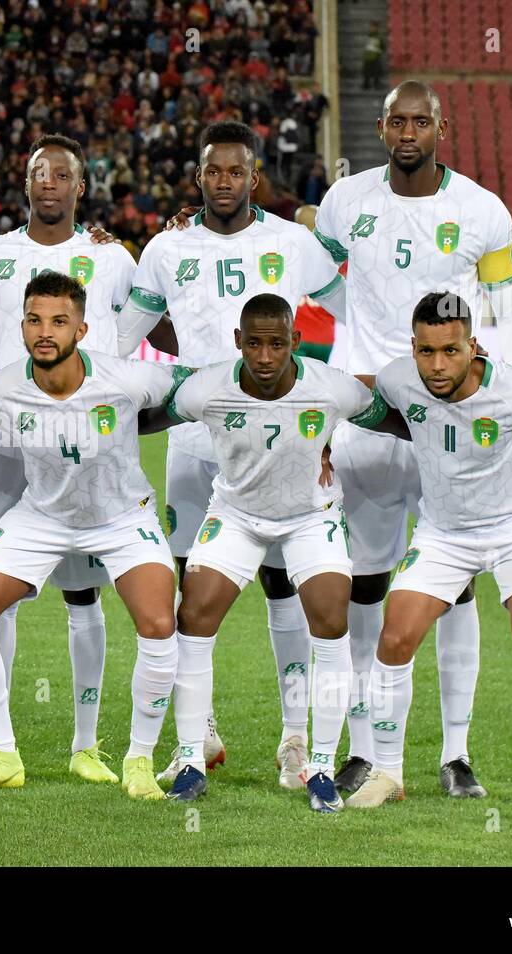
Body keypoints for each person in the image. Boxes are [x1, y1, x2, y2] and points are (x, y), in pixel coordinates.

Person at [313, 81, 512, 798]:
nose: (408, 131)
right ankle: (367, 750)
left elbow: (510, 314)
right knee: (366, 586)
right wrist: (328, 389)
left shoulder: (481, 210)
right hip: (372, 421)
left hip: (458, 429)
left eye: (421, 121)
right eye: (397, 121)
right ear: (381, 128)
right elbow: (313, 287)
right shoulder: (346, 202)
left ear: (442, 127)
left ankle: (456, 754)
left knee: (457, 586)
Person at [121, 121, 347, 789]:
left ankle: (297, 738)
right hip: (197, 442)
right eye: (213, 171)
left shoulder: (291, 242)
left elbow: (346, 320)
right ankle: (204, 735)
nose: (225, 181)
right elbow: (125, 327)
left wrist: (324, 411)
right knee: (194, 590)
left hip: (285, 449)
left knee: (287, 586)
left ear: (254, 178)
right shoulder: (166, 247)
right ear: (199, 178)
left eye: (236, 171)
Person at [0, 272, 185, 799]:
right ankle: (3, 752)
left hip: (123, 516)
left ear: (81, 328)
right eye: (34, 320)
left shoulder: (126, 379)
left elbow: (202, 391)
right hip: (42, 517)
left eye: (58, 321)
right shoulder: (2, 387)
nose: (44, 332)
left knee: (159, 623)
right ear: (22, 326)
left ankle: (139, 760)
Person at [345, 292, 512, 823]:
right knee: (395, 637)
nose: (437, 365)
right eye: (427, 351)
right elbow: (379, 407)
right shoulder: (398, 378)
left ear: (471, 345)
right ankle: (388, 772)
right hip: (443, 532)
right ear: (413, 347)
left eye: (450, 351)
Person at [143, 293, 391, 809]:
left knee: (329, 621)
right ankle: (191, 757)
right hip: (235, 516)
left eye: (276, 344)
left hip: (311, 517)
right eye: (253, 343)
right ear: (238, 341)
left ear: (295, 342)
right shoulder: (208, 388)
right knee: (192, 616)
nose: (263, 356)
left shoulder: (330, 388)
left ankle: (320, 765)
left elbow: (390, 417)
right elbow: (147, 417)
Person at [0, 134, 138, 783]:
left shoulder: (112, 259)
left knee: (83, 597)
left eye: (63, 173)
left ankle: (86, 746)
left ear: (81, 187)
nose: (51, 182)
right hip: (6, 447)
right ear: (26, 183)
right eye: (40, 173)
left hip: (82, 456)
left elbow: (145, 332)